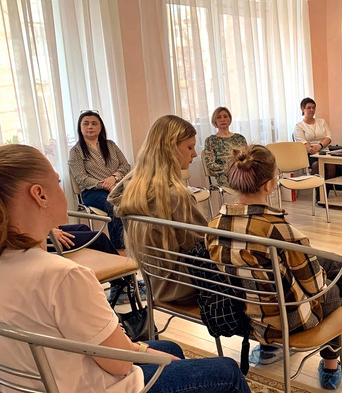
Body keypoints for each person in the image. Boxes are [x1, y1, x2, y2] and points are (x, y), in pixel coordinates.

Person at [0, 144, 250, 393]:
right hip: (93, 386)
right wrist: (141, 351)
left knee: (169, 348)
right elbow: (118, 364)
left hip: (39, 382)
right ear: (40, 195)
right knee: (227, 372)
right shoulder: (64, 276)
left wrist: (142, 349)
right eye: (57, 181)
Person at [207, 144, 342, 390]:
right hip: (286, 321)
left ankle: (271, 350)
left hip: (245, 313)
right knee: (334, 287)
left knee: (329, 263)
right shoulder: (278, 231)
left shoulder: (214, 225)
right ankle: (332, 364)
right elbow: (316, 287)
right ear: (269, 185)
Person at [110, 115, 207, 306]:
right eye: (190, 147)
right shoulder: (176, 196)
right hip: (186, 288)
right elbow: (203, 247)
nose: (194, 154)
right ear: (170, 148)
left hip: (155, 284)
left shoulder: (131, 191)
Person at [68, 110, 130, 249]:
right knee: (115, 206)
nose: (90, 126)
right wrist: (106, 185)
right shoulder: (76, 151)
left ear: (100, 127)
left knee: (140, 201)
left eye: (94, 123)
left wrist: (114, 178)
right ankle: (119, 249)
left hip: (118, 186)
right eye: (86, 124)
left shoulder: (111, 145)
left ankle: (139, 243)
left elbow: (126, 165)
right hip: (92, 192)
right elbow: (82, 179)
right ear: (80, 127)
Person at [203, 107, 247, 187]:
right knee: (246, 184)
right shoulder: (211, 140)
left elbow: (247, 157)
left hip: (243, 171)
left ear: (230, 119)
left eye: (225, 116)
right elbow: (211, 165)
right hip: (225, 175)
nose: (222, 120)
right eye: (219, 117)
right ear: (215, 121)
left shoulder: (240, 138)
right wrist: (231, 169)